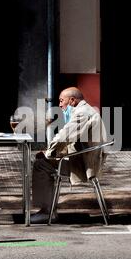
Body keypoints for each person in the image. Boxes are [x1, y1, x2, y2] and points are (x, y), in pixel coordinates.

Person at [31, 87, 107, 223]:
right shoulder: (87, 110)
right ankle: (49, 209)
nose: (60, 105)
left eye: (62, 101)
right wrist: (52, 153)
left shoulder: (82, 113)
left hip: (84, 165)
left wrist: (48, 153)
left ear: (72, 100)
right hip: (87, 160)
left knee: (40, 164)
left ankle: (47, 212)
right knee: (46, 161)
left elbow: (65, 136)